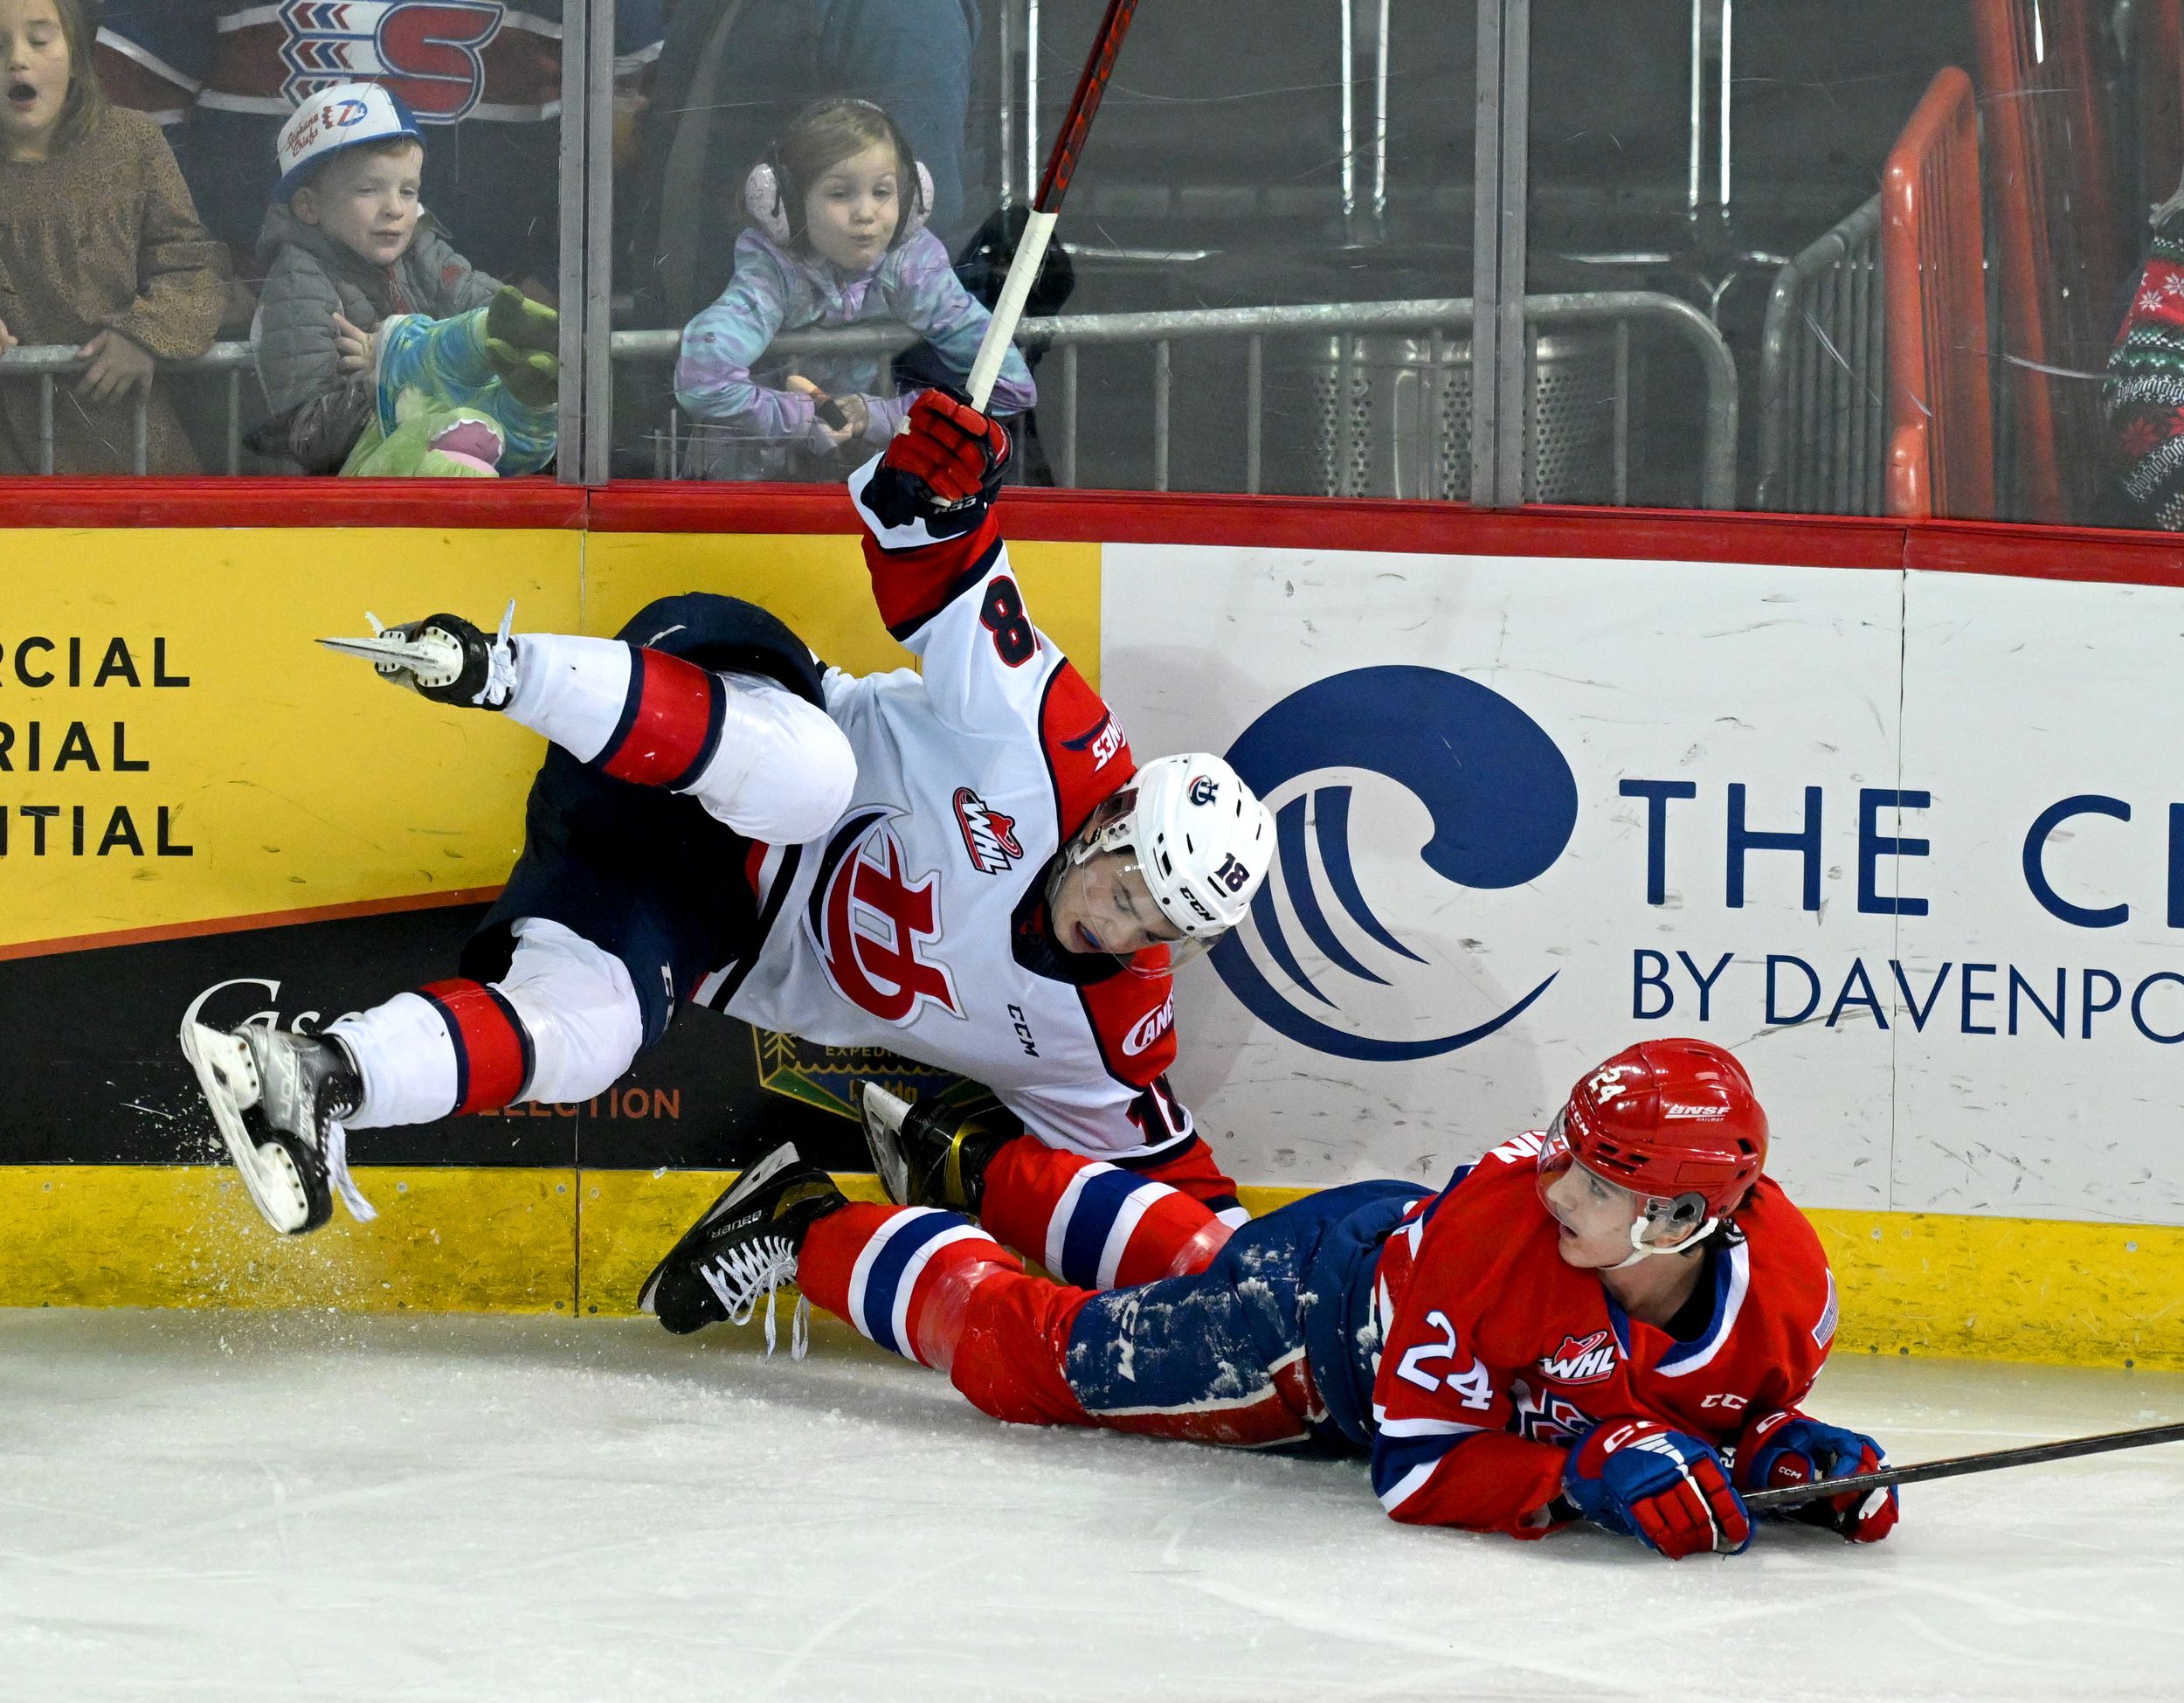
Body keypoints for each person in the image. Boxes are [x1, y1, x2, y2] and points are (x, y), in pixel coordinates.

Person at [181, 389, 1273, 1248]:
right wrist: (932, 491)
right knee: (808, 777)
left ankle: (318, 1071)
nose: (1123, 929)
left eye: (1157, 930)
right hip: (720, 707)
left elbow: (1174, 1186)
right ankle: (494, 665)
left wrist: (1275, 1291)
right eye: (1128, 889)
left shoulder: (1108, 1035)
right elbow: (932, 561)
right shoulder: (1051, 743)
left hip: (669, 894)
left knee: (593, 1038)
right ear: (1109, 826)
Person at [643, 1037, 1901, 1561]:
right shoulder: (1505, 1243)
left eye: (1599, 1173)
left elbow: (1705, 1403)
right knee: (1060, 1359)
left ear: (1686, 1221)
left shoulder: (1793, 1291)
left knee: (1198, 1254)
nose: (1557, 1181)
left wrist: (1789, 1453)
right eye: (1565, 1146)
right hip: (1306, 1340)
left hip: (1347, 1246)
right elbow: (1411, 1472)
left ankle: (970, 1151)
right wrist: (1577, 1479)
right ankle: (808, 1222)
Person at [673, 96, 1033, 482]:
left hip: (867, 490)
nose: (865, 213)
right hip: (747, 488)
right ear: (787, 204)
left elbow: (1010, 385)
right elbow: (703, 377)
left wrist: (881, 417)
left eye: (882, 192)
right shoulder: (771, 268)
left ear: (912, 199)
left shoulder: (912, 266)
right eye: (840, 194)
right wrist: (803, 417)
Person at [250, 81, 558, 475]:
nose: (395, 209)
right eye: (368, 190)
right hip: (346, 506)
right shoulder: (299, 283)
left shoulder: (423, 252)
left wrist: (403, 355)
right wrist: (386, 381)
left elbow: (492, 317)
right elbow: (305, 432)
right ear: (309, 206)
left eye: (409, 191)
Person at [0, 0, 229, 474]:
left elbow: (194, 266)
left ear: (77, 58)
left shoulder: (131, 143)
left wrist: (145, 334)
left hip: (133, 447)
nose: (17, 59)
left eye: (39, 40)